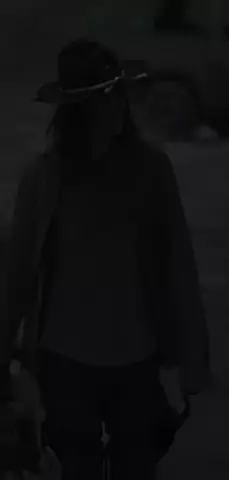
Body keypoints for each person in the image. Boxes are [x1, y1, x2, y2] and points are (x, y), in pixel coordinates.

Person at [0, 39, 210, 480]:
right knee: (78, 468)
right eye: (102, 98)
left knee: (137, 467)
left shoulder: (151, 170)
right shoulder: (44, 178)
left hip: (136, 357)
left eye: (117, 94)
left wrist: (192, 359)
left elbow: (178, 263)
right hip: (64, 359)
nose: (115, 107)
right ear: (77, 110)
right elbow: (17, 273)